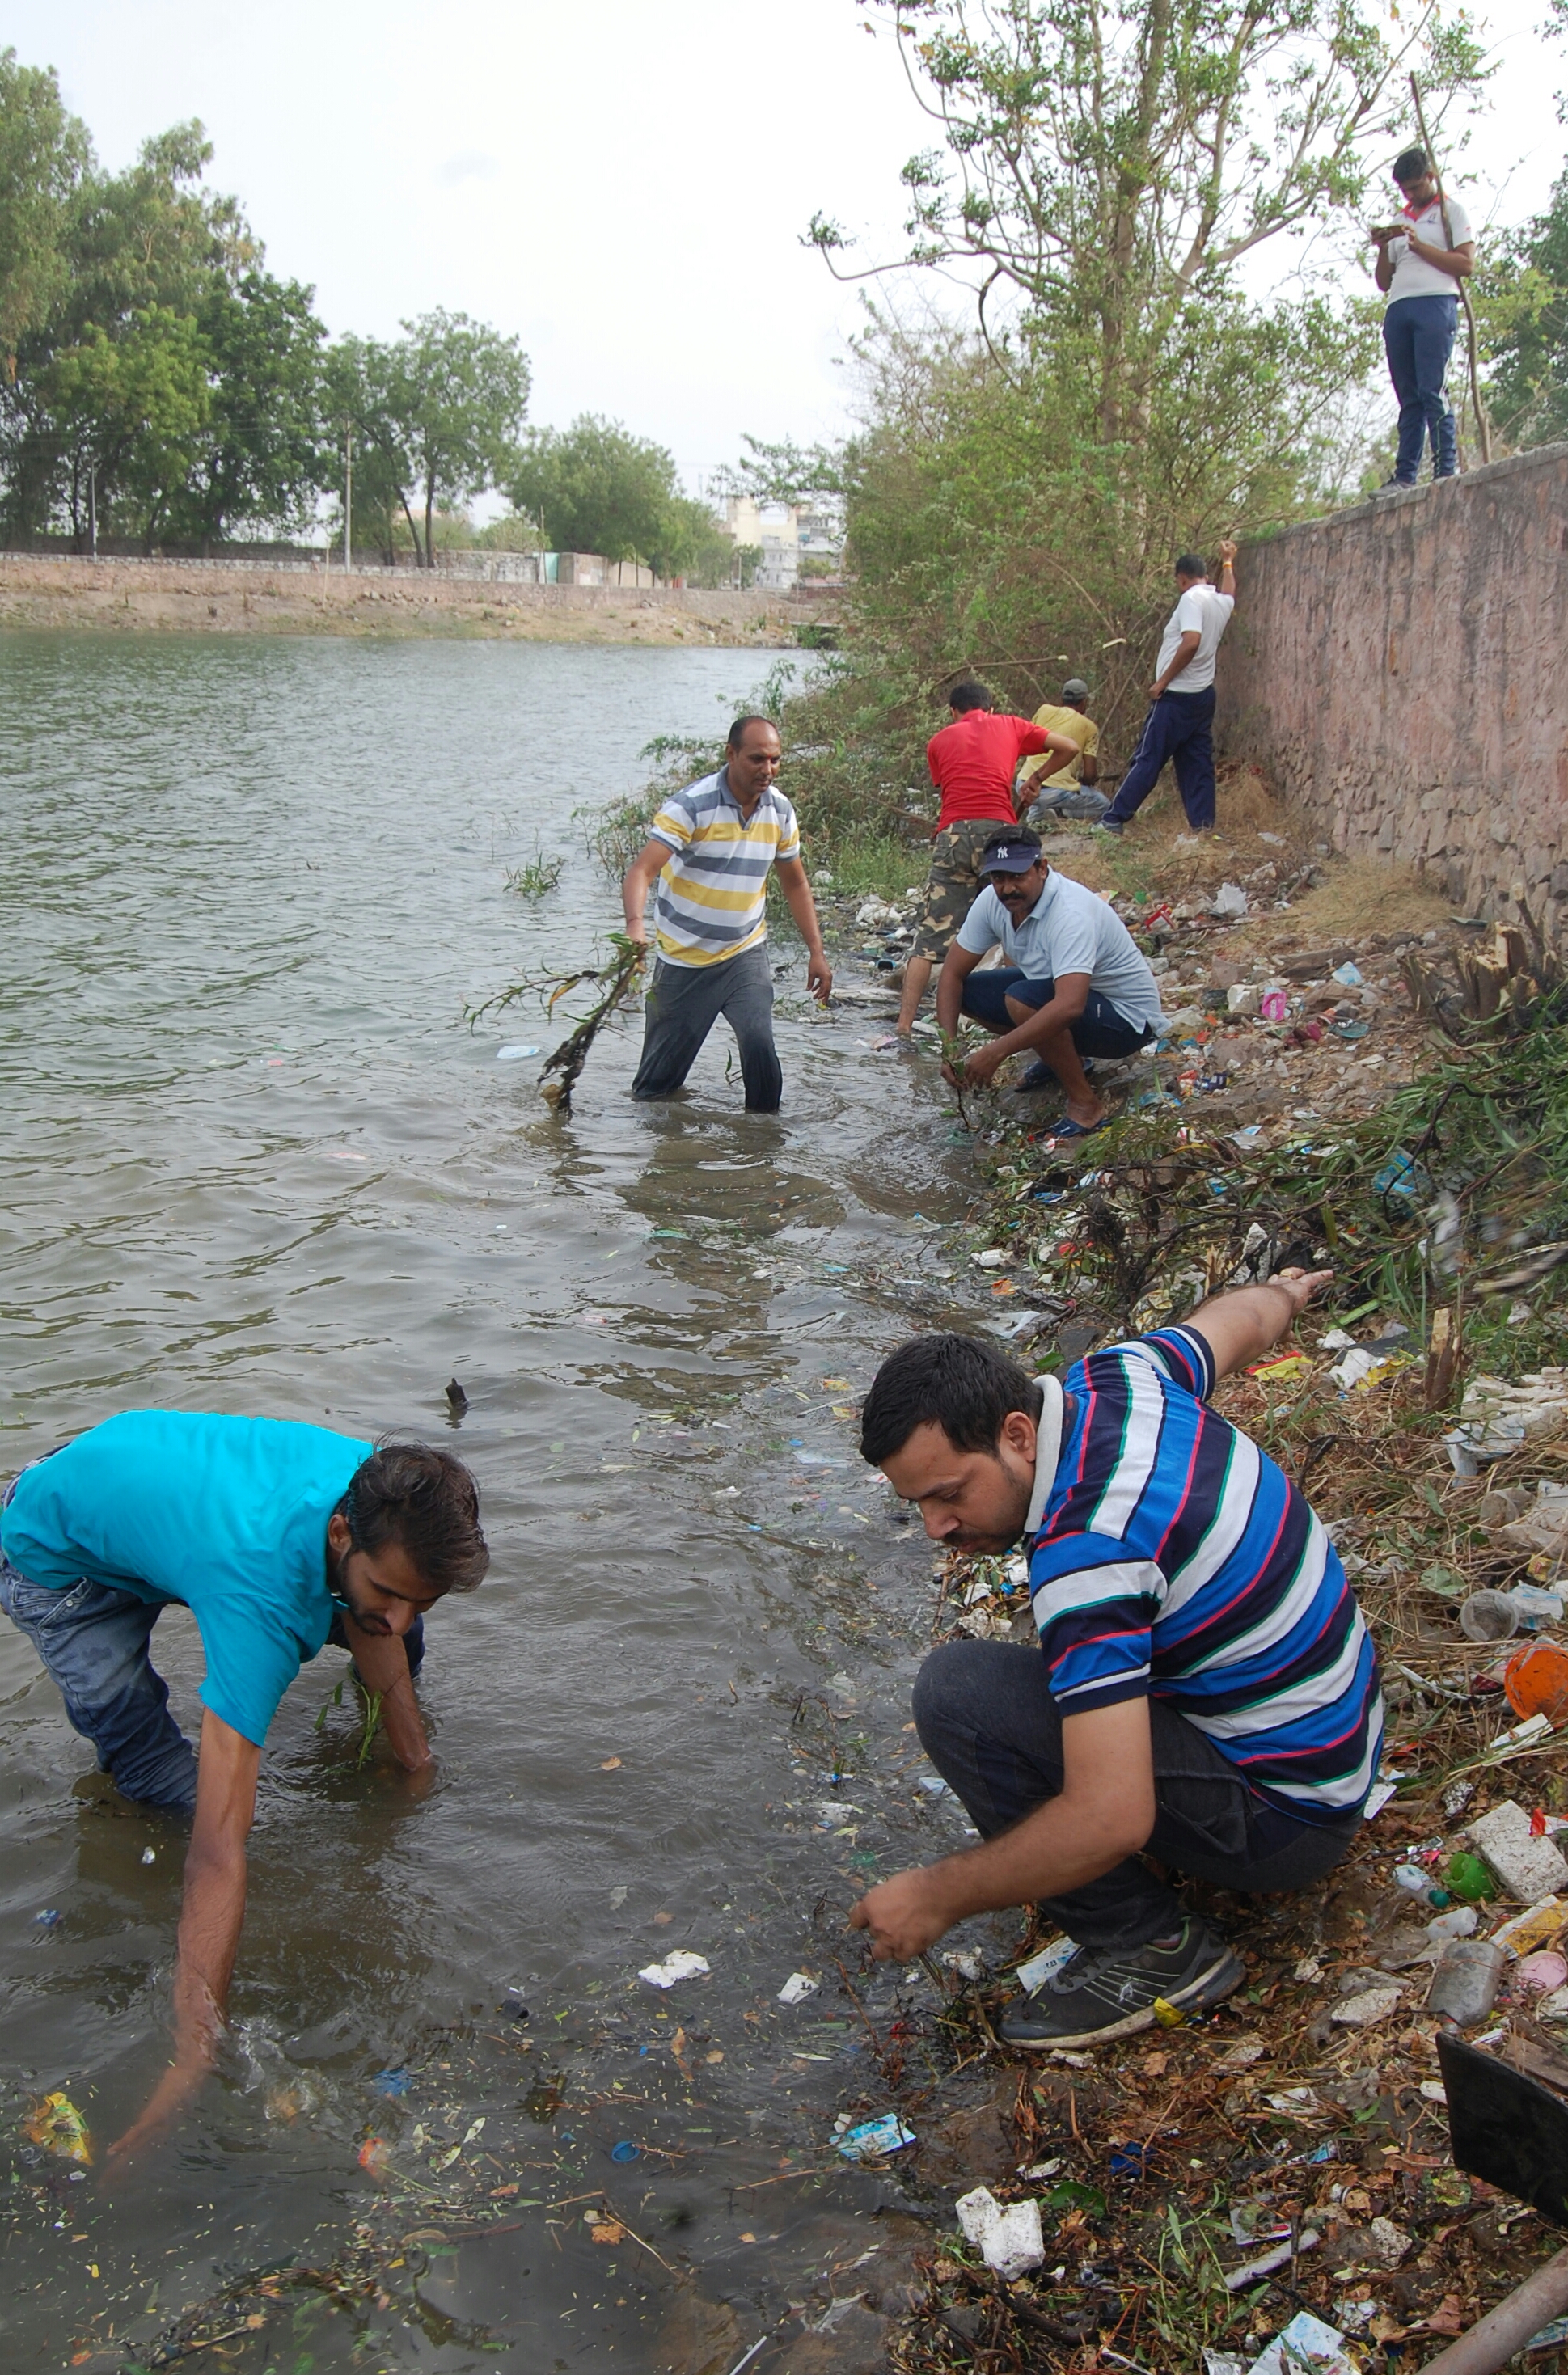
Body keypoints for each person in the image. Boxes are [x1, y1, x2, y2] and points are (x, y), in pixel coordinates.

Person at [849, 1278, 1382, 2049]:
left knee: (956, 1691)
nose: (936, 1526)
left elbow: (1112, 1817)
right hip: (1339, 1738)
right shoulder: (1118, 1376)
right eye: (917, 1505)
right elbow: (1240, 1319)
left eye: (950, 1493)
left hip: (1289, 1818)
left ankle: (1153, 1949)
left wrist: (936, 1894)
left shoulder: (1088, 1556)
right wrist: (1285, 1290)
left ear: (1017, 1434)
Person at [0, 1415, 488, 2164]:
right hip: (60, 1556)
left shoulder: (387, 1488)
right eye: (389, 1590)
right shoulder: (258, 1593)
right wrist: (195, 2051)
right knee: (164, 1785)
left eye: (423, 1598)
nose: (399, 1616)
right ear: (338, 1534)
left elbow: (379, 1619)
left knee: (393, 1641)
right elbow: (216, 1855)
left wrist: (415, 1767)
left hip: (139, 1482)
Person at [623, 715, 831, 1111]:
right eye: (756, 759)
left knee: (758, 1043)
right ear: (731, 754)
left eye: (775, 759)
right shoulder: (691, 806)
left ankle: (762, 1145)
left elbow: (795, 883)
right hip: (684, 960)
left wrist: (816, 951)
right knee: (654, 1090)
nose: (767, 770)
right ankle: (662, 1155)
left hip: (744, 954)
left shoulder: (780, 811)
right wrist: (636, 927)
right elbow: (641, 871)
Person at [935, 827, 1164, 1135]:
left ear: (1042, 868)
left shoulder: (1070, 913)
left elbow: (1070, 1006)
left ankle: (1086, 1106)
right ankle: (1067, 1059)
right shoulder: (992, 902)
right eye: (999, 878)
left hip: (1126, 1020)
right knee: (970, 993)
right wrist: (949, 1047)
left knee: (1022, 999)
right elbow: (952, 974)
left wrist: (996, 1052)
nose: (1007, 889)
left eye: (1018, 876)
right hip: (1064, 994)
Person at [894, 682, 1078, 1037]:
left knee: (930, 938)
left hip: (955, 836)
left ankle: (903, 1028)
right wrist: (1036, 778)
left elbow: (950, 789)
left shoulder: (939, 741)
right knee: (1015, 921)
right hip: (1002, 837)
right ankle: (1017, 1020)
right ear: (990, 709)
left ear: (953, 712)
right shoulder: (1010, 725)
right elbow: (1069, 747)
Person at [1097, 540, 1237, 838]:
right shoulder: (1220, 601)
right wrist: (1228, 562)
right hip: (1202, 697)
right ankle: (1203, 827)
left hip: (1175, 697)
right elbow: (1230, 592)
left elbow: (1191, 641)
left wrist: (1162, 682)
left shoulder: (1190, 600)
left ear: (1182, 578)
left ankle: (1113, 819)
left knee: (1148, 758)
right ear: (1205, 576)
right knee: (1197, 764)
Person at [1370, 147, 1475, 488]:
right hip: (1400, 306)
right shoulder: (1400, 220)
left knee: (1432, 389)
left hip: (1435, 302)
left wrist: (1420, 247)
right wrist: (1385, 247)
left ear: (1430, 177)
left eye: (1415, 187)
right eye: (1405, 190)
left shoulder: (1451, 212)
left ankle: (1445, 470)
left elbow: (1466, 264)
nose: (1411, 195)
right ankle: (1405, 475)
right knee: (1408, 396)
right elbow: (1383, 281)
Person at [1017, 678, 1107, 823]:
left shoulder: (1044, 710)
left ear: (1062, 699)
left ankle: (1038, 819)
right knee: (1104, 805)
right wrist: (1086, 781)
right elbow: (1090, 775)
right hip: (1055, 792)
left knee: (1040, 802)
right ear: (1084, 701)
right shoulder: (1090, 727)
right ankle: (1061, 812)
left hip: (1023, 784)